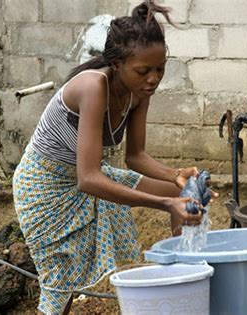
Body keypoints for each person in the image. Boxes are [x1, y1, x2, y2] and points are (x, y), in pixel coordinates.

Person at [13, 1, 216, 314]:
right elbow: (89, 178)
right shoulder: (94, 86)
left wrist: (174, 175)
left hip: (86, 176)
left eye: (160, 69)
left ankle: (185, 279)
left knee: (185, 192)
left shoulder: (138, 92)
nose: (153, 79)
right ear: (118, 64)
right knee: (59, 289)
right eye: (143, 71)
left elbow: (136, 156)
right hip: (44, 187)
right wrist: (163, 203)